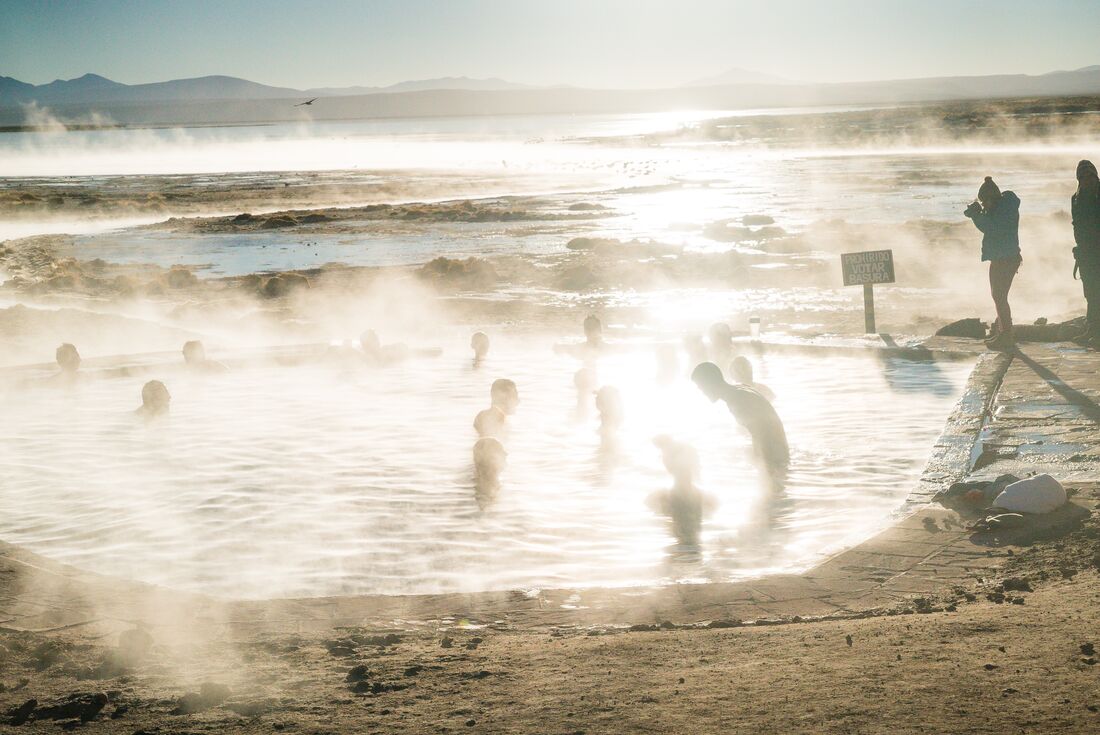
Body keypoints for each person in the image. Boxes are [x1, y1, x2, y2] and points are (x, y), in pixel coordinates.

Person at [691, 361, 789, 470]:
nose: (701, 392)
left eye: (700, 387)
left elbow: (762, 433)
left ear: (708, 384)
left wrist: (762, 466)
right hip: (779, 452)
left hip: (775, 460)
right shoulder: (739, 389)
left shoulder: (737, 399)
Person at [964, 176, 1022, 351]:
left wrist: (976, 215)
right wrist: (979, 214)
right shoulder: (1004, 208)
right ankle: (1003, 331)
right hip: (1003, 258)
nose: (984, 205)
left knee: (999, 296)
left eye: (984, 201)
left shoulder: (1004, 210)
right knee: (998, 296)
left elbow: (991, 228)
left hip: (1006, 258)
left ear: (992, 198)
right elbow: (991, 224)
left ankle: (1006, 335)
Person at [1071, 160, 1100, 347]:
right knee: (1090, 292)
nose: (1087, 179)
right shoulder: (1076, 198)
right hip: (1086, 253)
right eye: (1083, 176)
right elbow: (1077, 224)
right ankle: (1093, 329)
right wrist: (1079, 248)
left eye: (1090, 175)